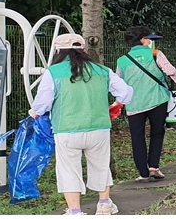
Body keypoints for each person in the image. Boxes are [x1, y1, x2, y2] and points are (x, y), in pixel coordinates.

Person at [28, 34, 133, 215]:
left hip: (67, 129)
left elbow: (41, 104)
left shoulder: (53, 72)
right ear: (83, 49)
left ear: (59, 50)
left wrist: (34, 114)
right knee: (101, 165)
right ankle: (104, 203)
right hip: (99, 127)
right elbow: (126, 93)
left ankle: (75, 211)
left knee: (69, 170)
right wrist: (116, 104)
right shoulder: (102, 70)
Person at [115, 26, 176, 182]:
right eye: (150, 39)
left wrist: (119, 101)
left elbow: (118, 82)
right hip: (157, 100)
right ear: (143, 40)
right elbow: (171, 71)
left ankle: (143, 173)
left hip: (134, 104)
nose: (151, 41)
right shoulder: (155, 54)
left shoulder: (122, 60)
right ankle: (153, 167)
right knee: (157, 133)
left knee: (137, 137)